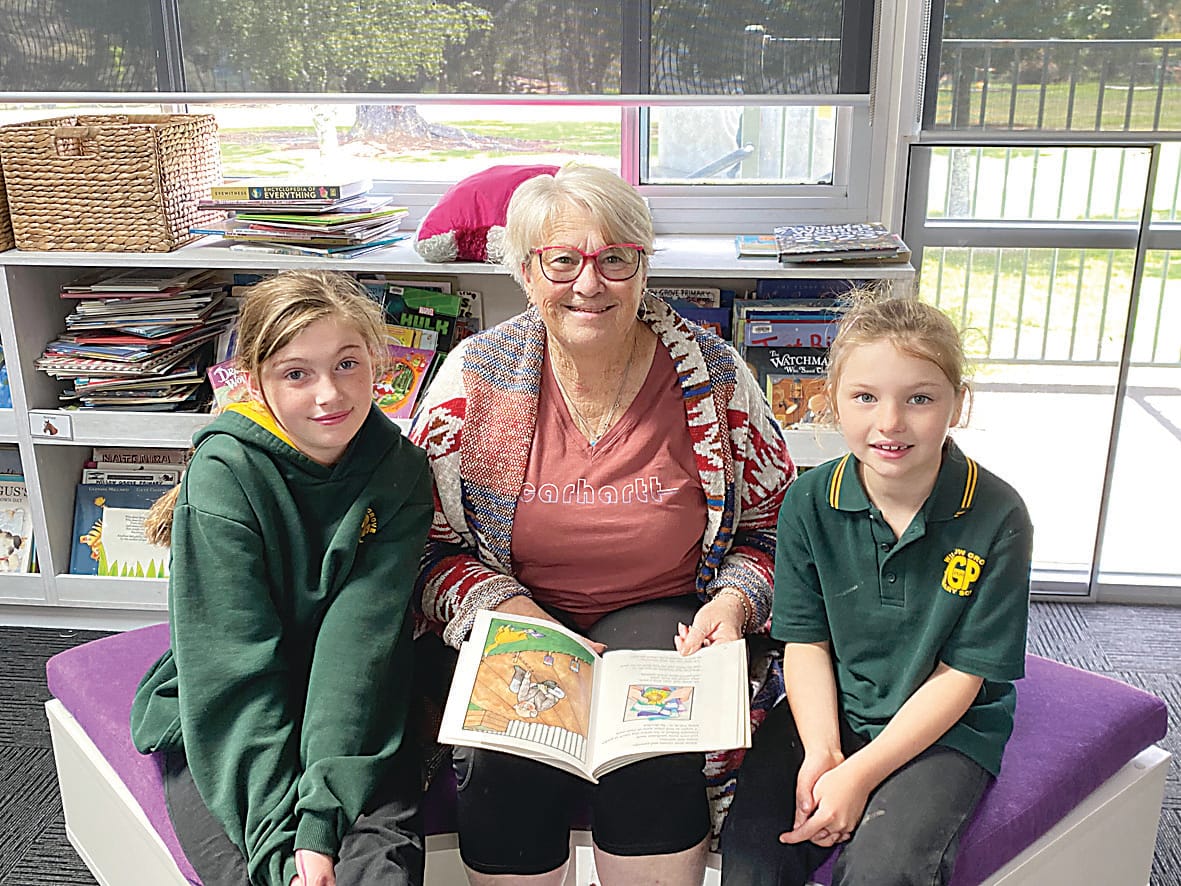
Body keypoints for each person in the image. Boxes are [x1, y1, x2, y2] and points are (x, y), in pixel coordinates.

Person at [409, 163, 794, 884]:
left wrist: (734, 603)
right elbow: (424, 547)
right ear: (526, 272)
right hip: (518, 612)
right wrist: (507, 609)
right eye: (563, 260)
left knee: (652, 751)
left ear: (643, 268)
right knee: (503, 759)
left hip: (671, 610)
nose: (590, 283)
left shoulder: (714, 378)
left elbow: (775, 531)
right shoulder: (474, 377)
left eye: (616, 258)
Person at [130, 270, 434, 886]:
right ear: (255, 381)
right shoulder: (224, 474)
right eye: (297, 374)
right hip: (233, 707)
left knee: (381, 864)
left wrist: (320, 819)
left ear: (377, 361)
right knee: (261, 872)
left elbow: (357, 650)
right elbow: (234, 667)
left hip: (358, 705)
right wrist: (283, 847)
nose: (330, 394)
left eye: (347, 364)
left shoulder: (400, 470)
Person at [721, 295, 1034, 886]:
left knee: (882, 872)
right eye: (865, 397)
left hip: (946, 729)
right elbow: (805, 643)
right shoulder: (807, 501)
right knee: (752, 861)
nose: (890, 422)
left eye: (919, 399)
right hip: (830, 709)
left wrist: (858, 776)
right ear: (832, 398)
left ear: (958, 404)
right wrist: (823, 752)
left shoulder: (999, 514)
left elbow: (963, 676)